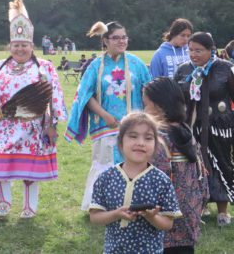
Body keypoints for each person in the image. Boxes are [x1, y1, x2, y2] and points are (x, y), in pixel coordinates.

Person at [0, 0, 67, 218]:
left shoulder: (43, 67)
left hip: (33, 127)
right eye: (16, 45)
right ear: (10, 46)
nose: (20, 49)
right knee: (0, 165)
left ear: (32, 46)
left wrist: (51, 125)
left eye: (24, 45)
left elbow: (53, 97)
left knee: (30, 171)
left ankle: (29, 206)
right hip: (2, 125)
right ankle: (3, 202)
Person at [65, 21, 151, 211]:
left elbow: (149, 91)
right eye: (116, 38)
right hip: (105, 125)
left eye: (124, 37)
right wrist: (106, 115)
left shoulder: (136, 64)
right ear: (105, 41)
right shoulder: (95, 66)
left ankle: (134, 204)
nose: (121, 41)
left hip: (134, 125)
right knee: (105, 163)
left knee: (135, 162)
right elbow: (85, 96)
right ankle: (100, 206)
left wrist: (146, 119)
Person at [89, 112, 182, 254]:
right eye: (133, 136)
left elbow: (168, 224)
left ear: (155, 145)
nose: (140, 142)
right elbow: (95, 217)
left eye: (148, 138)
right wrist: (116, 214)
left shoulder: (162, 181)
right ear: (120, 142)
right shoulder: (105, 178)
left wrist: (152, 217)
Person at [174, 32, 234, 226]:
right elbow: (175, 99)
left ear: (211, 50)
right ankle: (200, 206)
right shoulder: (183, 70)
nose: (194, 54)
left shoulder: (225, 69)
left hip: (220, 127)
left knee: (220, 164)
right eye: (190, 50)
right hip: (191, 127)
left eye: (199, 50)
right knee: (194, 165)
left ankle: (223, 211)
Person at [143, 77, 209, 254]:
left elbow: (155, 179)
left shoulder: (158, 138)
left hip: (166, 218)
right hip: (190, 210)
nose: (144, 110)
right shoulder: (185, 130)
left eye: (146, 104)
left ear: (158, 106)